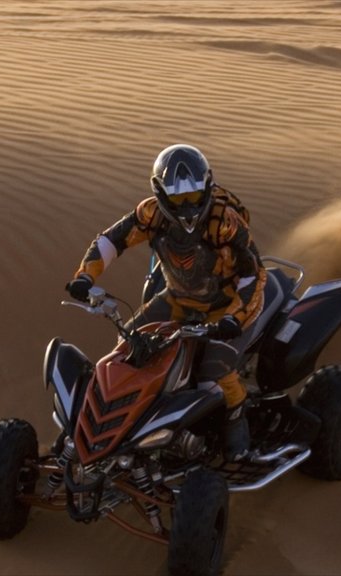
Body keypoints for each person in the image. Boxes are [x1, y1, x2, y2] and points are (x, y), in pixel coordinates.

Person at [65, 144, 265, 461]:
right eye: (179, 200)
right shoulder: (151, 214)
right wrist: (84, 277)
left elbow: (252, 275)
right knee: (129, 346)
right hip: (179, 298)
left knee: (214, 368)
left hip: (228, 304)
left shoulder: (224, 222)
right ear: (161, 194)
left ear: (208, 188)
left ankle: (236, 422)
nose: (188, 207)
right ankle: (135, 421)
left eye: (194, 197)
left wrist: (233, 319)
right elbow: (111, 241)